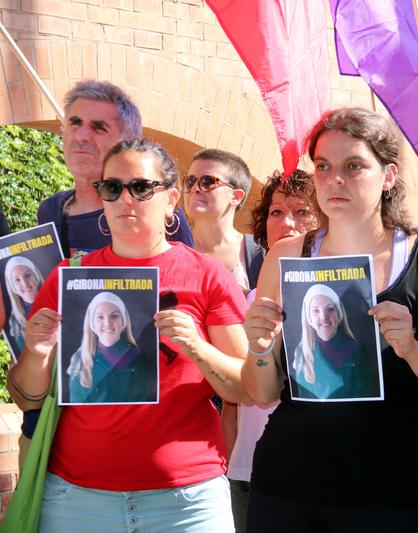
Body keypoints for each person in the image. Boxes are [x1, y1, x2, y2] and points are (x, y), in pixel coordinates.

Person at [242, 107, 418, 532]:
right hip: (287, 488)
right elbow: (260, 390)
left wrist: (412, 349)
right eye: (323, 166)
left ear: (389, 175)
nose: (334, 179)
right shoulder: (286, 257)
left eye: (354, 166)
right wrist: (261, 347)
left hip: (395, 498)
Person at [8, 139, 248, 531]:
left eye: (140, 187)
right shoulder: (69, 277)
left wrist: (197, 347)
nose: (124, 199)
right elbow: (26, 397)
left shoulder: (206, 274)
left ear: (171, 200)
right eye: (111, 187)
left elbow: (244, 389)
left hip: (185, 502)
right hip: (76, 500)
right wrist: (35, 352)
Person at [224, 169, 319, 533]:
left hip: (324, 472)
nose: (287, 222)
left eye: (301, 211)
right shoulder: (246, 299)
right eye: (276, 212)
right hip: (253, 472)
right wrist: (235, 460)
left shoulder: (344, 295)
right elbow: (236, 395)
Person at [37, 79, 193, 258]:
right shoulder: (51, 210)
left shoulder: (155, 210)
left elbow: (187, 278)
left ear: (128, 142)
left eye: (99, 128)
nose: (81, 136)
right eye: (75, 123)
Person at [184, 148, 260, 292]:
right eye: (190, 181)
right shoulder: (168, 248)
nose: (195, 188)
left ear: (236, 197)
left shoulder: (258, 254)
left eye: (207, 181)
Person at [66, 291, 155, 404]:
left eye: (114, 316)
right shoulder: (79, 361)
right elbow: (76, 405)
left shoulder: (139, 359)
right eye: (100, 317)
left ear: (123, 321)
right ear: (92, 324)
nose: (108, 323)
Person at [292, 284, 376, 399]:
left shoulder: (357, 351)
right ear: (309, 319)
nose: (324, 317)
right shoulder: (301, 354)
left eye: (330, 309)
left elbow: (363, 395)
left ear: (339, 314)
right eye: (315, 311)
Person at [3, 256, 44, 356]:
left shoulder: (58, 298)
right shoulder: (14, 321)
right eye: (17, 280)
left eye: (27, 275)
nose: (24, 284)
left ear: (36, 275)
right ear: (12, 286)